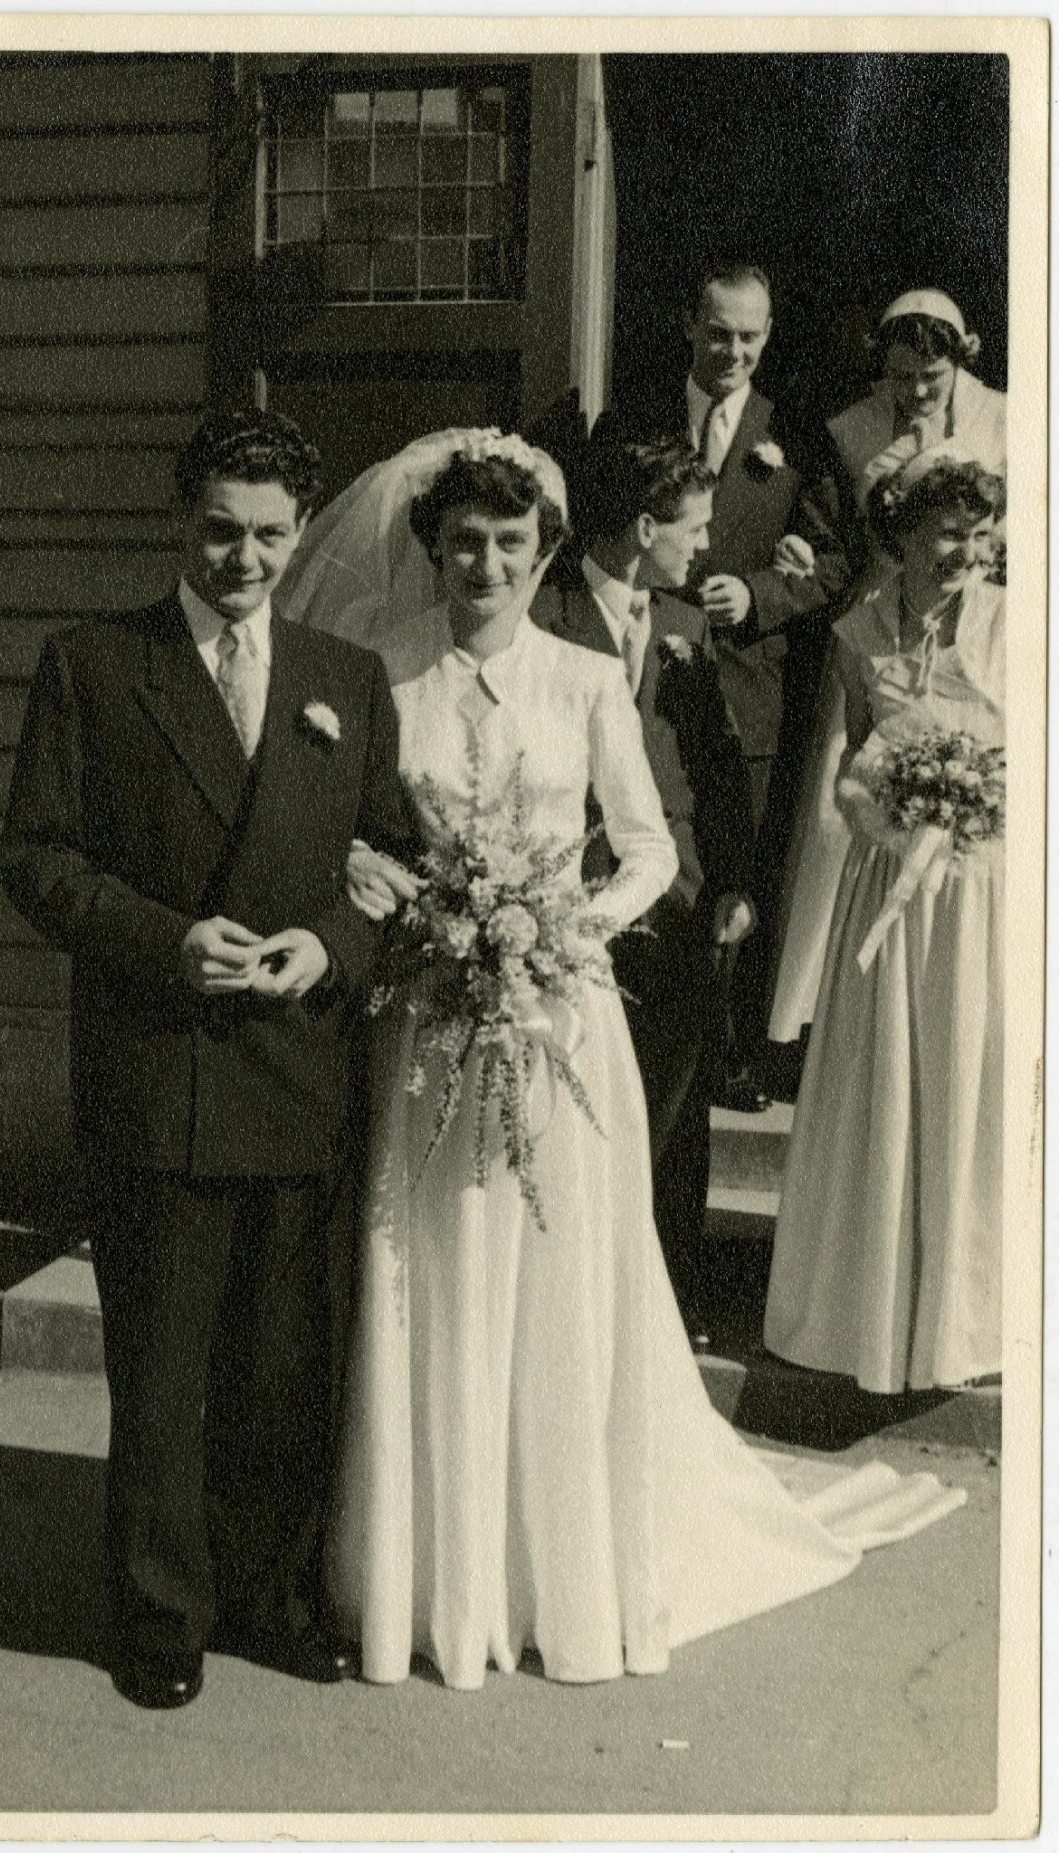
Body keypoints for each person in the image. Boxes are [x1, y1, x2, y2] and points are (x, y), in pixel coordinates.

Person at [285, 429, 965, 1693]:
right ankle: (432, 1568)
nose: (484, 563)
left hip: (557, 1016)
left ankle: (557, 1563)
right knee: (426, 1263)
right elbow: (348, 838)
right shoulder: (382, 674)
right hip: (428, 1014)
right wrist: (414, 908)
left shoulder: (583, 676)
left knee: (549, 1276)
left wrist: (562, 925)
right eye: (463, 543)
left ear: (541, 551)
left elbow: (648, 845)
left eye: (508, 543)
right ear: (432, 550)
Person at [0, 412, 417, 1710]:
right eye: (222, 531)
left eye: (271, 535)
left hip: (297, 1076)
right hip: (158, 1074)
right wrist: (171, 940)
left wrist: (329, 948)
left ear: (302, 533)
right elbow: (39, 859)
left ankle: (272, 1598)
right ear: (183, 522)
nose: (244, 559)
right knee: (166, 1375)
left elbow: (398, 868)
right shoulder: (93, 666)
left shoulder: (348, 679)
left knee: (283, 1373)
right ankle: (162, 1616)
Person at [764, 452, 1005, 1394]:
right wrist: (890, 808)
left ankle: (965, 1318)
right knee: (885, 1082)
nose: (965, 552)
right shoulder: (860, 629)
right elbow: (850, 763)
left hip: (981, 890)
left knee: (967, 1077)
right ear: (902, 537)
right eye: (947, 533)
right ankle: (861, 1309)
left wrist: (979, 804)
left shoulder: (1017, 616)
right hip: (887, 891)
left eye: (979, 535)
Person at [532, 432, 755, 1343]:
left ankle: (669, 1299)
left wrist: (733, 880)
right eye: (692, 529)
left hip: (677, 898)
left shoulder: (686, 627)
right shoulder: (542, 613)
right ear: (642, 525)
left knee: (674, 1102)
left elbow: (718, 767)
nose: (703, 549)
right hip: (567, 899)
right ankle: (575, 1296)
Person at [768, 290, 1007, 1061]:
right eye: (900, 376)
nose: (914, 392)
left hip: (973, 637)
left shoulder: (1006, 418)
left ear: (959, 361)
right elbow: (832, 537)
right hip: (878, 633)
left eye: (930, 376)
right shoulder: (850, 430)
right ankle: (815, 1017)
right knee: (844, 825)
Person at [638, 261, 828, 1111]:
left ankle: (731, 1054)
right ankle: (664, 1038)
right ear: (690, 326)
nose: (734, 351)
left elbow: (832, 561)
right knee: (667, 853)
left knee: (738, 864)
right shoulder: (638, 419)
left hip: (748, 688)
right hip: (651, 678)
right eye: (720, 333)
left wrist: (760, 593)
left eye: (751, 337)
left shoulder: (793, 435)